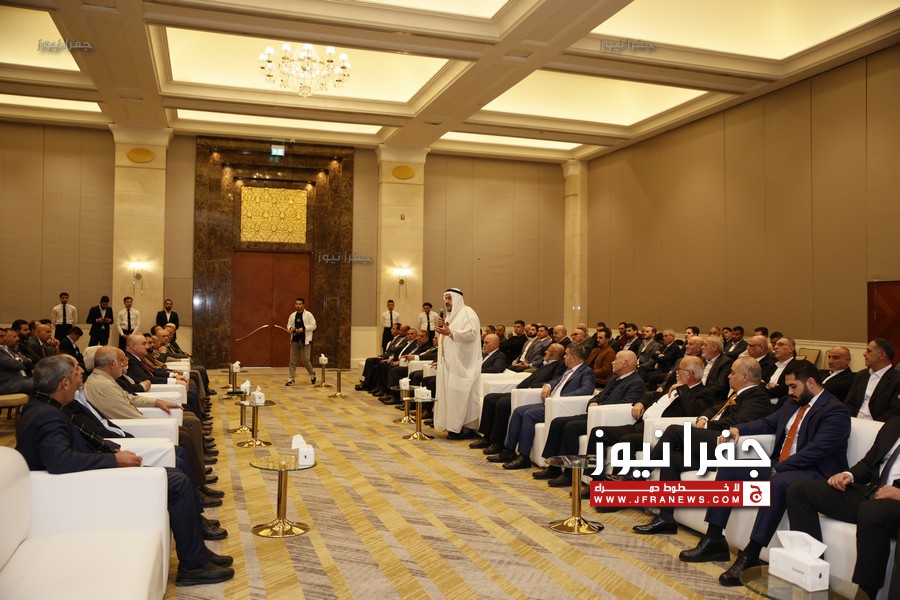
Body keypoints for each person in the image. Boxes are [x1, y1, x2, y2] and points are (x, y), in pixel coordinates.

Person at [15, 355, 234, 586]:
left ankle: (197, 554)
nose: (81, 374)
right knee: (177, 483)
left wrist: (110, 450)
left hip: (83, 478)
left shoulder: (43, 405)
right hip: (77, 490)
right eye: (76, 370)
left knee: (174, 475)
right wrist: (114, 460)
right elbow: (61, 461)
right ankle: (194, 566)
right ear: (64, 383)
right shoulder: (47, 415)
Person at [675, 361, 851, 587]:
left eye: (793, 387)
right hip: (782, 464)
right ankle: (714, 538)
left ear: (810, 382)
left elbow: (817, 451)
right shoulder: (792, 403)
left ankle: (751, 554)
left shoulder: (835, 410)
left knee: (776, 483)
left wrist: (777, 468)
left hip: (813, 473)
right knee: (730, 465)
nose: (789, 392)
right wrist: (738, 429)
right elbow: (768, 422)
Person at [786, 415, 900, 600]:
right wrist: (848, 475)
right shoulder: (894, 423)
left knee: (871, 511)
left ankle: (866, 594)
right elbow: (869, 462)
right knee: (800, 490)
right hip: (872, 493)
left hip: (893, 505)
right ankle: (813, 576)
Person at [491, 343, 596, 470]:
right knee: (518, 411)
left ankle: (524, 457)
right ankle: (509, 451)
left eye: (566, 355)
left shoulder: (587, 372)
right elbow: (556, 380)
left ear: (573, 358)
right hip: (550, 403)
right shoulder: (569, 370)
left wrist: (561, 398)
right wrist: (548, 385)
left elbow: (586, 389)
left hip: (559, 406)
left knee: (529, 415)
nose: (564, 357)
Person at [472, 343, 567, 455]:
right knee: (490, 398)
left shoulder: (559, 365)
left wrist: (532, 387)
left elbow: (553, 381)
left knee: (503, 403)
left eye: (549, 350)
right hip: (520, 391)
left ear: (556, 356)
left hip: (529, 393)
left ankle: (498, 442)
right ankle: (487, 437)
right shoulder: (545, 363)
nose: (546, 352)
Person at [434, 288, 482, 439]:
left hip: (463, 365)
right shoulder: (451, 316)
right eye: (445, 299)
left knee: (462, 396)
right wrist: (445, 327)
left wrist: (450, 332)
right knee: (451, 396)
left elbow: (472, 334)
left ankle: (465, 428)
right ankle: (452, 425)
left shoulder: (468, 312)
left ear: (457, 299)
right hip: (449, 365)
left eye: (449, 298)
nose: (447, 302)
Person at [286, 297, 317, 386]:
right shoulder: (292, 315)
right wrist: (291, 328)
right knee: (292, 361)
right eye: (297, 304)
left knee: (305, 360)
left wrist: (304, 329)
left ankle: (312, 374)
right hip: (295, 340)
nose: (298, 306)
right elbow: (288, 324)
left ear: (303, 305)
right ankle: (291, 379)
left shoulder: (309, 315)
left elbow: (314, 325)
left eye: (300, 304)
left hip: (305, 341)